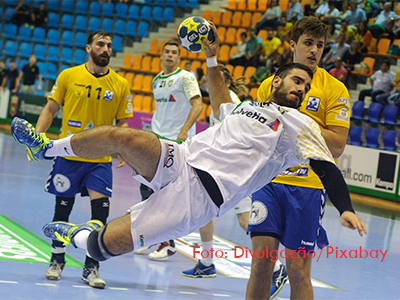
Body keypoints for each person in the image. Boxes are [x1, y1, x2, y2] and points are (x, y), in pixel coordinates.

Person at [13, 23, 366, 298]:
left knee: (106, 245)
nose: (301, 89)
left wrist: (344, 207)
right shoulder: (249, 107)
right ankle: (47, 148)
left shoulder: (299, 124)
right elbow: (219, 99)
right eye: (296, 81)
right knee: (125, 137)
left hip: (200, 198)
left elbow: (327, 167)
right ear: (276, 80)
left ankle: (76, 237)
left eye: (305, 88)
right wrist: (211, 58)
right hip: (180, 159)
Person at [248, 17, 353, 300]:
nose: (314, 50)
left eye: (320, 45)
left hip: (307, 188)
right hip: (268, 183)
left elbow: (337, 145)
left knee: (297, 269)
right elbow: (260, 136)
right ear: (293, 45)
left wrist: (298, 121)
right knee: (261, 265)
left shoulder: (335, 89)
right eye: (308, 43)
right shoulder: (271, 84)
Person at [30, 30, 133, 289]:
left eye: (109, 45)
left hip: (100, 159)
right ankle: (56, 259)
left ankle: (91, 267)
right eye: (100, 44)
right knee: (62, 210)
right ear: (88, 48)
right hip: (68, 156)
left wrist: (123, 150)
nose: (106, 49)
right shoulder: (68, 75)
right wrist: (37, 139)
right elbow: (50, 108)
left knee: (100, 216)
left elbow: (122, 123)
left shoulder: (120, 84)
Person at [137, 40, 203, 261]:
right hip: (157, 140)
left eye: (175, 52)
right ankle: (151, 237)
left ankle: (168, 243)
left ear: (179, 58)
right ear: (161, 55)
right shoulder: (156, 80)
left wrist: (184, 130)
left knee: (165, 194)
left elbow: (198, 104)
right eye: (167, 52)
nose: (170, 55)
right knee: (146, 189)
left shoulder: (185, 77)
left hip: (176, 143)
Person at [182, 64, 248, 279]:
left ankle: (275, 267)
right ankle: (207, 262)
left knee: (246, 220)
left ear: (227, 83)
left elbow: (236, 136)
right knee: (204, 211)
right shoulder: (219, 101)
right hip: (222, 169)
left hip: (236, 171)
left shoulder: (231, 102)